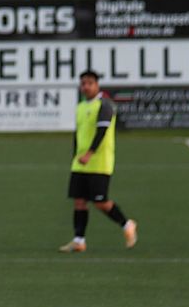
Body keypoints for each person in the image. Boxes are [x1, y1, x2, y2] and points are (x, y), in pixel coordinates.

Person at [59, 70, 137, 253]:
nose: (86, 87)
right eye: (83, 84)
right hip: (80, 163)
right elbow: (78, 133)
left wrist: (90, 153)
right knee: (79, 201)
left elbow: (102, 131)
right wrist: (75, 154)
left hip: (99, 162)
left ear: (97, 85)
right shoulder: (80, 107)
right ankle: (79, 240)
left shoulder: (105, 105)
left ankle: (127, 224)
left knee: (100, 201)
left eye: (90, 83)